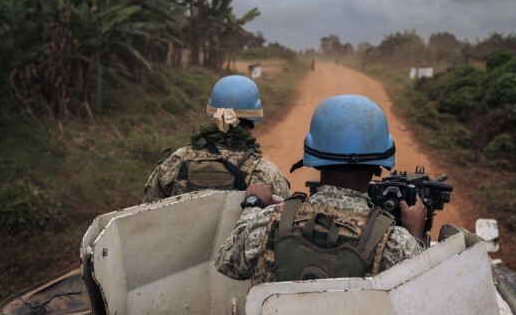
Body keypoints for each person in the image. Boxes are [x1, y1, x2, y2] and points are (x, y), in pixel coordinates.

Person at [215, 95, 426, 284]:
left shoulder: (270, 221)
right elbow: (422, 294)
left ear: (314, 160)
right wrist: (415, 237)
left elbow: (227, 262)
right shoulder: (395, 244)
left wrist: (253, 206)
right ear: (378, 165)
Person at [144, 75, 291, 202]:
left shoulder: (175, 162)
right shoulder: (266, 173)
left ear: (212, 114)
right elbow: (283, 223)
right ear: (252, 120)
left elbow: (147, 211)